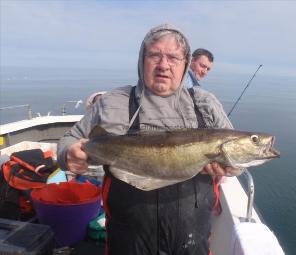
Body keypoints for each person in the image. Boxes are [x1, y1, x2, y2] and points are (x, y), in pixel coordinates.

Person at [57, 24, 238, 255]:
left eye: (173, 57)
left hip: (191, 242)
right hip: (128, 241)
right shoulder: (113, 102)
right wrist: (68, 154)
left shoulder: (205, 104)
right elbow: (68, 140)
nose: (163, 65)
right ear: (142, 59)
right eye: (155, 55)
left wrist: (227, 167)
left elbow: (236, 160)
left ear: (185, 63)